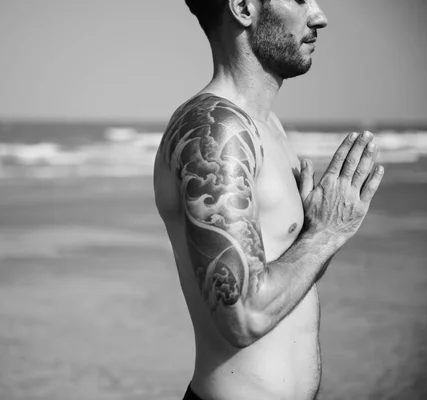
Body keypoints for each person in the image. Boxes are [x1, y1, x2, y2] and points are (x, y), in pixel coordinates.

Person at [152, 1, 385, 399]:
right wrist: (326, 234)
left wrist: (313, 234)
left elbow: (287, 281)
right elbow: (242, 316)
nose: (319, 16)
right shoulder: (217, 131)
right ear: (243, 7)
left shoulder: (265, 126)